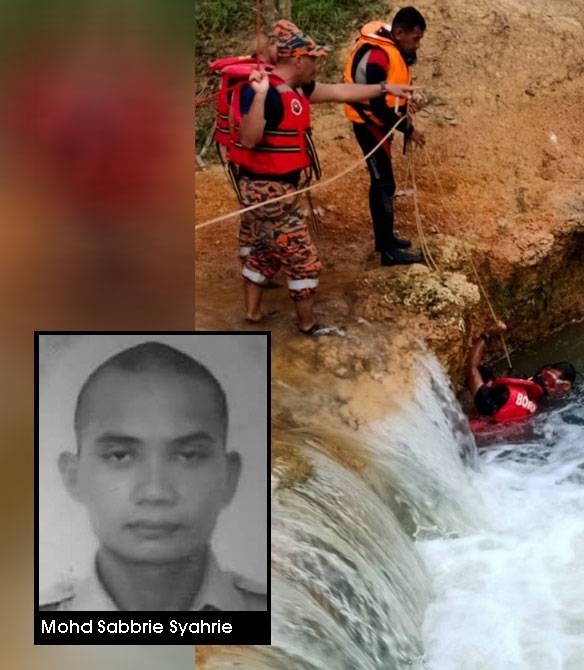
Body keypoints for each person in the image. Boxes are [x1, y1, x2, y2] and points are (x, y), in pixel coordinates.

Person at [39, 342, 263, 611]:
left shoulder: (293, 631)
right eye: (120, 455)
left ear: (230, 476)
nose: (155, 492)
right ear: (73, 476)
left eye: (189, 455)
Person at [231, 19, 416, 335]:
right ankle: (308, 326)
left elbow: (341, 91)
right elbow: (249, 139)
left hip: (277, 190)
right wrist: (260, 96)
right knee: (303, 259)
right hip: (268, 191)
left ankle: (252, 314)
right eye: (314, 59)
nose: (318, 64)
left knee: (267, 247)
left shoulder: (298, 88)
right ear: (298, 59)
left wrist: (386, 88)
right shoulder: (264, 90)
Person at [343, 7, 427, 266]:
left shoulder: (391, 49)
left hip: (380, 123)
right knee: (383, 185)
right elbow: (377, 106)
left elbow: (388, 95)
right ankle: (387, 252)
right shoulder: (378, 56)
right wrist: (409, 131)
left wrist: (404, 105)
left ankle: (386, 240)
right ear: (399, 33)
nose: (417, 45)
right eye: (415, 39)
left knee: (385, 184)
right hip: (369, 125)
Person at [465, 326, 577, 424]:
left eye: (550, 380)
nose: (545, 382)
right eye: (545, 376)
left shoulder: (487, 401)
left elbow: (472, 367)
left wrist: (487, 334)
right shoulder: (533, 405)